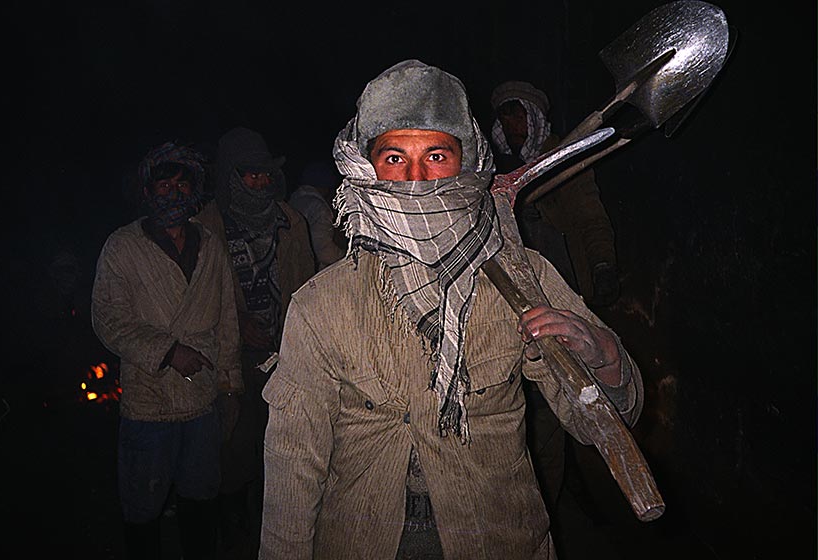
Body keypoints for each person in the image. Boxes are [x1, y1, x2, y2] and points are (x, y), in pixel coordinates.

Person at [258, 59, 643, 560]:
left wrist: (604, 356)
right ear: (365, 166)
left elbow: (607, 422)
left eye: (436, 155)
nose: (416, 179)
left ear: (467, 162)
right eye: (395, 158)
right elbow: (292, 467)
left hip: (497, 539)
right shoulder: (321, 305)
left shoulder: (523, 278)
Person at [91, 141, 242, 560]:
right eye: (164, 184)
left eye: (182, 184)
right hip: (148, 403)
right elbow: (108, 318)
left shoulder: (210, 244)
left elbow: (227, 317)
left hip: (202, 399)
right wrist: (169, 351)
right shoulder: (122, 246)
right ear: (147, 189)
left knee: (200, 502)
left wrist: (231, 385)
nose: (173, 193)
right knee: (143, 510)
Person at [195, 126, 315, 556]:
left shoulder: (291, 221)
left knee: (283, 455)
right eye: (251, 175)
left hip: (284, 356)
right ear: (231, 176)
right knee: (231, 453)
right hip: (228, 359)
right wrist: (237, 319)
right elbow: (195, 299)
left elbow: (305, 286)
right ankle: (232, 537)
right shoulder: (206, 227)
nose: (261, 182)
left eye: (266, 175)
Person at [489, 80, 620, 308]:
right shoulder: (501, 169)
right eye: (504, 117)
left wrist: (602, 265)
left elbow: (591, 216)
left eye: (518, 115)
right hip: (527, 288)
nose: (511, 125)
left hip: (566, 279)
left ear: (534, 117)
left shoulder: (563, 158)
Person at [288, 159, 346, 271]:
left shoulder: (294, 200)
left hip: (293, 267)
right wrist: (347, 258)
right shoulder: (319, 208)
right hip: (313, 271)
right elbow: (324, 252)